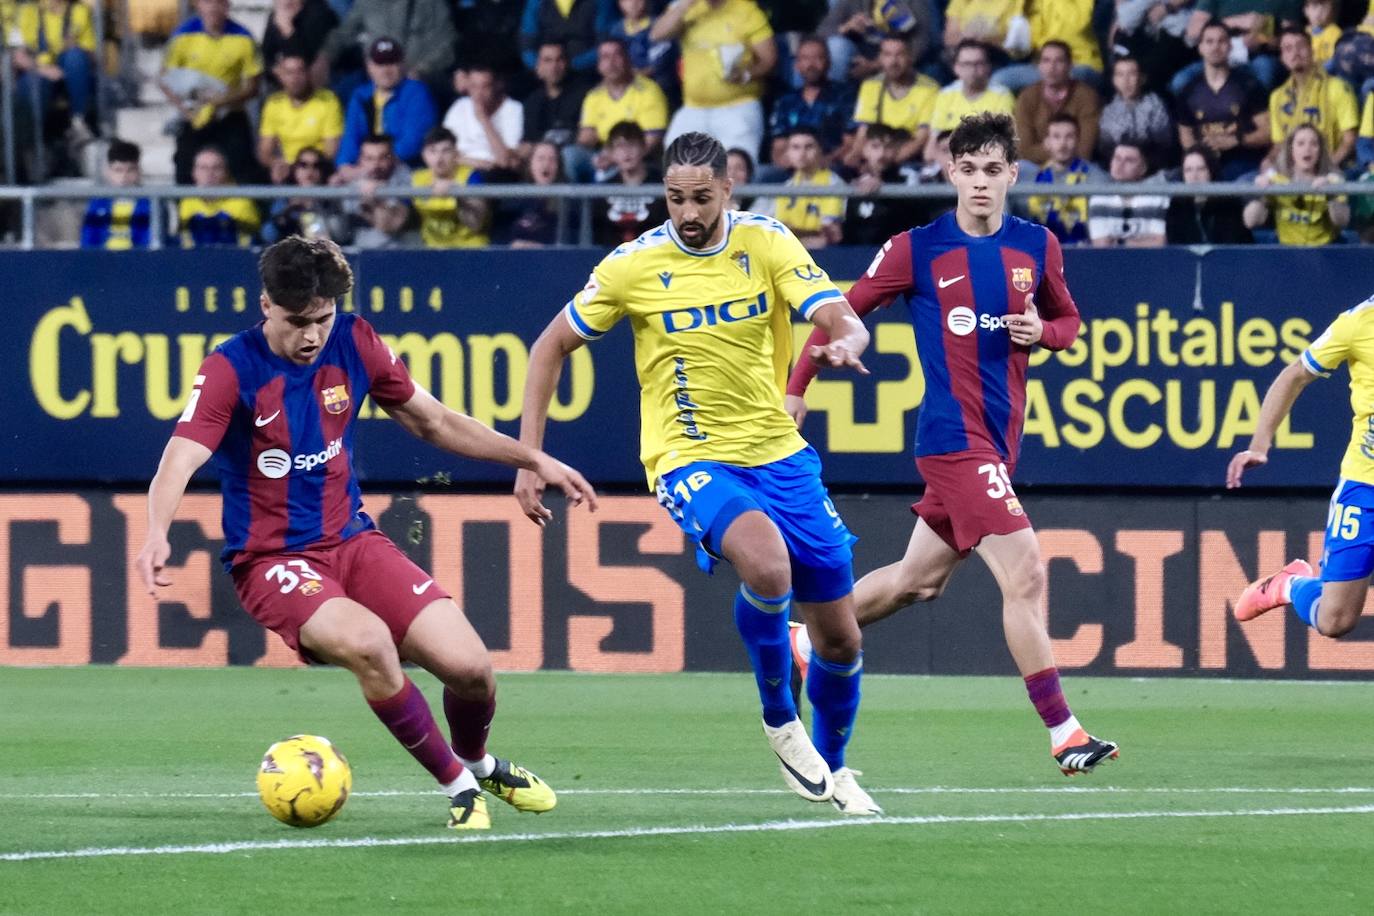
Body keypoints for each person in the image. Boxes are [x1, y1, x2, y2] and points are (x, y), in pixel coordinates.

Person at [136, 236, 596, 830]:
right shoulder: (230, 367)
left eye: (322, 319)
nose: (311, 336)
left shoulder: (355, 339)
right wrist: (155, 532)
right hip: (272, 560)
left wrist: (530, 459)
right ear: (266, 306)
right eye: (298, 321)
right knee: (371, 643)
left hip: (353, 541)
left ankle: (479, 763)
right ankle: (459, 790)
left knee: (472, 669)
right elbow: (180, 456)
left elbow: (433, 421)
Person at [517, 131, 881, 814]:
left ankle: (835, 769)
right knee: (767, 566)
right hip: (687, 457)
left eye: (701, 198)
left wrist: (849, 339)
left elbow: (837, 314)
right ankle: (781, 722)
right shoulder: (633, 265)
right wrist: (532, 456)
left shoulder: (765, 242)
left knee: (840, 635)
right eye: (676, 198)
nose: (687, 212)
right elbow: (548, 348)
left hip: (778, 451)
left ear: (728, 191)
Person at [787, 112, 1119, 778]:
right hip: (952, 441)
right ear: (950, 174)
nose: (979, 183)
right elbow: (840, 310)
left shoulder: (1039, 247)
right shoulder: (918, 247)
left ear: (1012, 177)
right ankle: (1064, 732)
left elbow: (1068, 320)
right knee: (1025, 571)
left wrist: (1043, 335)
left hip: (997, 445)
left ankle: (802, 639)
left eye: (992, 170)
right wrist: (797, 391)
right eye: (967, 170)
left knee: (918, 583)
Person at [1227, 292, 1374, 644]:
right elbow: (1295, 375)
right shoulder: (1358, 322)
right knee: (1335, 620)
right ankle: (1288, 585)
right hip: (1365, 486)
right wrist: (1259, 445)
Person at [653, 0, 776, 159]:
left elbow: (769, 60)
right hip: (693, 108)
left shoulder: (747, 11)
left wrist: (746, 75)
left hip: (738, 107)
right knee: (677, 165)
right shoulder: (686, 8)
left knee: (735, 167)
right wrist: (686, 4)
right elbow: (657, 34)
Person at [160, 0, 264, 185]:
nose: (213, 8)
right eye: (208, 2)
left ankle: (246, 212)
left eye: (219, 3)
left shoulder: (243, 37)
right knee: (184, 168)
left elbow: (253, 87)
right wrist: (186, 110)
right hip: (194, 115)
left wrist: (221, 102)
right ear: (198, 5)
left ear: (227, 6)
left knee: (245, 170)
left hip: (230, 114)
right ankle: (187, 212)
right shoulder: (182, 36)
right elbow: (165, 79)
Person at [1174, 19, 1271, 181]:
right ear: (1200, 48)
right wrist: (1201, 156)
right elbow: (1187, 139)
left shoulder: (1249, 85)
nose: (1215, 47)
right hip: (1204, 169)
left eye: (1221, 41)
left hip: (1244, 166)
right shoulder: (1188, 90)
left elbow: (1268, 133)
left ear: (1230, 46)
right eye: (1209, 41)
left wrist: (1237, 140)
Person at [574, 38, 670, 179]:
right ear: (599, 65)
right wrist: (599, 157)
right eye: (605, 57)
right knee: (571, 156)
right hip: (605, 153)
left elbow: (651, 141)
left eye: (617, 55)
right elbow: (586, 137)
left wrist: (615, 158)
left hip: (636, 158)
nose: (611, 63)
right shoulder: (594, 96)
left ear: (627, 59)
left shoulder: (648, 90)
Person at [336, 38, 436, 174]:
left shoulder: (416, 92)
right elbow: (351, 138)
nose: (385, 70)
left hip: (406, 170)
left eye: (391, 63)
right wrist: (345, 166)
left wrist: (379, 164)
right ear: (369, 66)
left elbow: (413, 142)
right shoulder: (360, 95)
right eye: (380, 64)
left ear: (402, 64)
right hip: (367, 169)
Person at [1264, 27, 1359, 169]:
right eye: (1288, 48)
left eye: (1301, 46)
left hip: (1335, 169)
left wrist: (1327, 167)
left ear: (1311, 50)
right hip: (1293, 172)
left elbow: (1350, 140)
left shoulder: (1337, 88)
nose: (1295, 53)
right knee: (1247, 182)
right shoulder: (1277, 97)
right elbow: (1280, 144)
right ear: (1282, 57)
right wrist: (1269, 160)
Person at [1244, 122, 1350, 245]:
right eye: (1300, 144)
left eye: (1314, 144)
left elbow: (1342, 221)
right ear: (1291, 149)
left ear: (1320, 150)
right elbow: (1250, 221)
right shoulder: (1276, 179)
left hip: (1325, 250)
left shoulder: (1334, 180)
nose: (1307, 149)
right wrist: (1260, 194)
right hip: (1287, 251)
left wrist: (1330, 194)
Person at [846, 35, 940, 167]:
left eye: (899, 55)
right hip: (876, 154)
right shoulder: (870, 86)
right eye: (887, 55)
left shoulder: (929, 89)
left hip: (909, 157)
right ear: (880, 58)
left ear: (910, 57)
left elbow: (921, 139)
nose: (893, 62)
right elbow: (863, 132)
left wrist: (887, 165)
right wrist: (856, 155)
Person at [767, 36, 856, 170]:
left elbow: (850, 143)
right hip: (794, 168)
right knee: (764, 176)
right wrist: (790, 163)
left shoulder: (845, 95)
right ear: (796, 65)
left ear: (829, 62)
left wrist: (823, 163)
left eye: (818, 57)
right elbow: (779, 146)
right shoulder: (786, 100)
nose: (811, 64)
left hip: (833, 166)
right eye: (805, 58)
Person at [257, 52, 344, 183]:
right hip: (289, 173)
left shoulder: (328, 101)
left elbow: (331, 151)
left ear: (308, 73)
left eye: (300, 71)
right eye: (289, 73)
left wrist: (305, 169)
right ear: (280, 76)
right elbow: (264, 152)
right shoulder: (273, 104)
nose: (295, 78)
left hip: (318, 172)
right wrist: (276, 164)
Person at [1012, 41, 1101, 165]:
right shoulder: (1027, 97)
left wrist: (1050, 147)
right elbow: (1023, 151)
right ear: (1039, 66)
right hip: (1036, 167)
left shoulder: (1086, 96)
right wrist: (1061, 149)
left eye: (1059, 61)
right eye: (1046, 61)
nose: (1051, 67)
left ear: (1070, 65)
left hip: (1076, 166)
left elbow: (1084, 151)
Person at [926, 40, 1015, 162]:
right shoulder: (946, 95)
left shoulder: (1001, 95)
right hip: (947, 160)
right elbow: (931, 147)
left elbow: (1003, 142)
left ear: (988, 67)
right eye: (967, 64)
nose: (973, 69)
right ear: (956, 68)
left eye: (978, 63)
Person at [1021, 113, 1103, 245]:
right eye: (1056, 137)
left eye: (1069, 137)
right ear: (1047, 142)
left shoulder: (1095, 177)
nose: (1063, 144)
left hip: (1083, 253)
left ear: (1078, 140)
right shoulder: (1030, 177)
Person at [412, 127, 491, 248]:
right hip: (431, 250)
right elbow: (396, 223)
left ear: (456, 154)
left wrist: (458, 193)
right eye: (432, 151)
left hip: (469, 248)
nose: (439, 159)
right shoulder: (416, 179)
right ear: (424, 155)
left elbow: (476, 224)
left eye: (446, 151)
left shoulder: (471, 177)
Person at [592, 121, 668, 245]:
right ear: (611, 152)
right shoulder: (603, 190)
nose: (626, 152)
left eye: (632, 145)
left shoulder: (661, 185)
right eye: (620, 146)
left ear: (643, 148)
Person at [769, 127, 846, 248]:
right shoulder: (786, 187)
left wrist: (795, 234)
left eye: (809, 147)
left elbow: (828, 235)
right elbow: (781, 231)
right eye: (796, 147)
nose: (802, 154)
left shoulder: (834, 184)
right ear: (788, 153)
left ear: (820, 150)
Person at [339, 133, 416, 248]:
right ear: (361, 160)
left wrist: (376, 196)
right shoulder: (354, 183)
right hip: (362, 252)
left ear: (393, 158)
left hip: (400, 251)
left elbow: (391, 225)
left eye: (382, 158)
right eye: (369, 158)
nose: (375, 165)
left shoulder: (407, 179)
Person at [443, 64, 524, 174]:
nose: (478, 94)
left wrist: (483, 119)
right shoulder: (460, 106)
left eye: (485, 87)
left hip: (496, 177)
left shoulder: (514, 109)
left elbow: (505, 161)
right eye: (474, 87)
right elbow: (445, 153)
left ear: (496, 86)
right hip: (460, 173)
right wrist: (484, 164)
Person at [1087, 141, 1169, 247]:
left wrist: (1121, 242)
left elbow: (1159, 242)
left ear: (1143, 168)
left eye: (1129, 160)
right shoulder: (1099, 198)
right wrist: (1142, 241)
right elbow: (1101, 244)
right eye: (1117, 158)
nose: (1120, 165)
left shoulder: (1155, 198)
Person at [1096, 55, 1173, 166]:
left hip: (1150, 167)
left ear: (1142, 78)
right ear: (1114, 80)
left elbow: (1164, 144)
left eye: (1131, 74)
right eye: (1120, 75)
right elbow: (1106, 148)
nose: (1126, 81)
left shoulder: (1155, 105)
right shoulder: (1109, 111)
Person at [1165, 147, 1254, 243]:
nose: (1194, 176)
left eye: (1201, 169)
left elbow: (1233, 243)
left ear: (1211, 171)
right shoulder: (1177, 205)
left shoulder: (1228, 203)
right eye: (1188, 170)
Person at [177, 147, 261, 248]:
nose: (209, 174)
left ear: (226, 172)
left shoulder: (242, 202)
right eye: (203, 168)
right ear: (194, 173)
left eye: (216, 168)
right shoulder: (187, 202)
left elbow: (250, 243)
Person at [263, 147, 348, 242]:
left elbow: (341, 235)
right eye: (303, 165)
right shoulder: (285, 197)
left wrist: (315, 207)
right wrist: (287, 212)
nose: (310, 171)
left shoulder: (329, 200)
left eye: (316, 166)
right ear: (295, 169)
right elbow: (268, 235)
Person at [82, 141, 154, 250]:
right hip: (102, 262)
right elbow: (88, 240)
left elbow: (148, 242)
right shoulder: (97, 203)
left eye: (130, 170)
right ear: (108, 172)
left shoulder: (151, 204)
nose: (124, 177)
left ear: (139, 171)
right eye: (118, 170)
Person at [521, 42, 587, 157]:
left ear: (567, 63)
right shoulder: (532, 102)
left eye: (559, 60)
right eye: (548, 60)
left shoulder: (585, 95)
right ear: (538, 67)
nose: (554, 66)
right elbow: (529, 142)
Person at [498, 140, 567, 246]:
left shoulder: (569, 201)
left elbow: (571, 241)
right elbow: (500, 239)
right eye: (541, 159)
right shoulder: (514, 198)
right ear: (530, 164)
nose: (546, 164)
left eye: (552, 160)